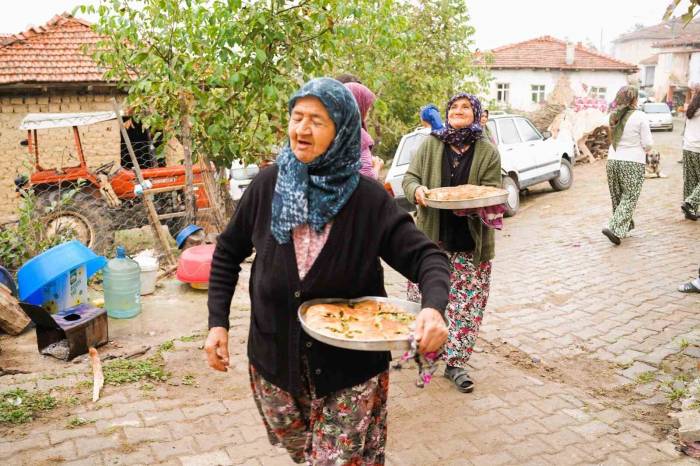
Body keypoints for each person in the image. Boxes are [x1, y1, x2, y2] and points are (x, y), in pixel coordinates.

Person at [205, 78, 450, 465]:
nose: (301, 129)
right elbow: (227, 252)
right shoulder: (269, 185)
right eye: (296, 117)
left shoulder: (367, 200)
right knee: (303, 451)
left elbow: (428, 258)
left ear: (343, 129)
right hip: (274, 362)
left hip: (348, 370)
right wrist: (217, 323)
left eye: (316, 120)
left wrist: (433, 308)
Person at [402, 92, 501, 393]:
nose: (459, 111)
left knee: (466, 307)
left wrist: (475, 203)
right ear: (446, 113)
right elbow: (409, 179)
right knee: (428, 300)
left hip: (470, 243)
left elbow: (493, 191)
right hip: (432, 241)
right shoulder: (430, 144)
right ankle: (429, 350)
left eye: (466, 107)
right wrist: (417, 191)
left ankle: (456, 363)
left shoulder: (487, 151)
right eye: (454, 107)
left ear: (476, 114)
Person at [602, 86, 653, 245]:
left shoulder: (613, 117)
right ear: (634, 99)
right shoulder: (640, 116)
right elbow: (648, 144)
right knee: (630, 196)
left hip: (612, 160)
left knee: (618, 196)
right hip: (632, 162)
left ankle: (625, 226)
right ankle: (614, 227)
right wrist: (646, 149)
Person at [344, 82, 383, 179]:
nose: (368, 111)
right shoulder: (357, 135)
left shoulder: (331, 132)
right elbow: (368, 177)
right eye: (367, 107)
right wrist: (377, 166)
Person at [681, 85, 700, 221]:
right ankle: (690, 203)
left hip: (688, 147)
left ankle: (689, 211)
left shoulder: (691, 110)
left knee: (690, 181)